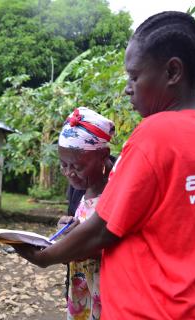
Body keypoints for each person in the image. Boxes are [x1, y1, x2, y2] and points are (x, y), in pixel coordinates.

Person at [14, 11, 195, 319]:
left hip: (145, 307)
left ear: (172, 72)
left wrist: (45, 256)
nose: (128, 87)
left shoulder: (156, 134)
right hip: (188, 305)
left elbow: (103, 230)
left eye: (134, 76)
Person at [55, 106, 115, 320]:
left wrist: (81, 242)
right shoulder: (77, 186)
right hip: (81, 288)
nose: (69, 173)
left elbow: (129, 246)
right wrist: (65, 233)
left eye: (77, 166)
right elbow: (75, 228)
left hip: (112, 293)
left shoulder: (122, 186)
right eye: (63, 165)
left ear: (103, 155)